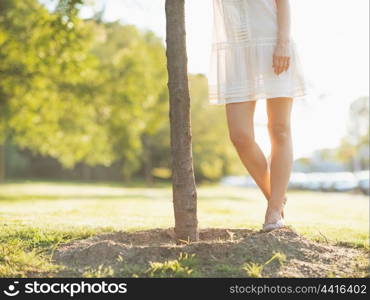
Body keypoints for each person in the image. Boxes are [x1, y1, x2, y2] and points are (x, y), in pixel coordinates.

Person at [208, 0, 309, 231]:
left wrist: (283, 43)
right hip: (236, 51)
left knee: (279, 129)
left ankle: (273, 210)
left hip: (273, 44)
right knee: (240, 136)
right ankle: (276, 197)